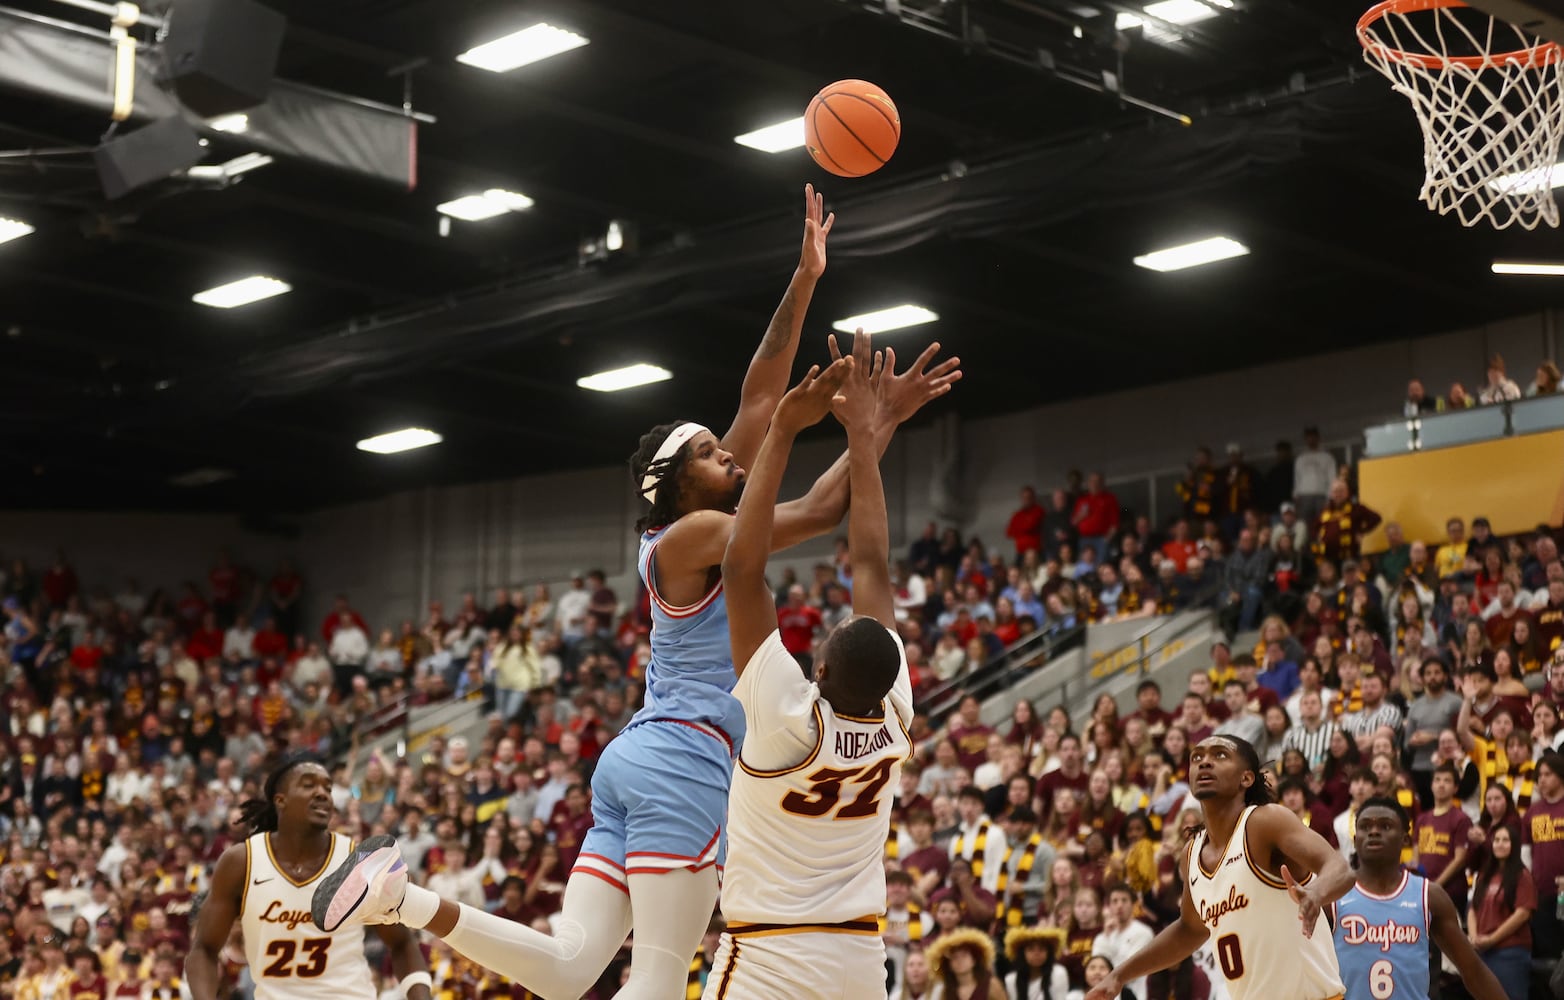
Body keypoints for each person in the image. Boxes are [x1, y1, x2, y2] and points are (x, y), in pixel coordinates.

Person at [308, 195, 958, 999]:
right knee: (650, 987)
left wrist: (804, 275)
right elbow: (827, 511)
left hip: (636, 759)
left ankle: (402, 900)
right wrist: (868, 433)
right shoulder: (692, 539)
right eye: (716, 457)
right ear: (680, 485)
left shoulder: (699, 515)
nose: (733, 455)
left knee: (573, 966)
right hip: (686, 762)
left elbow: (759, 394)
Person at [701, 344, 913, 998]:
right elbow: (873, 565)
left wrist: (790, 429)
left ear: (817, 663)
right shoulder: (894, 717)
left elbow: (739, 567)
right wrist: (864, 441)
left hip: (770, 957)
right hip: (857, 954)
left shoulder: (787, 720)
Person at [1084, 735, 1353, 1000]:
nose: (1204, 762)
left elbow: (1339, 867)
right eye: (1197, 757)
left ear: (1246, 778)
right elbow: (1189, 930)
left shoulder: (1265, 821)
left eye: (1219, 755)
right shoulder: (1192, 852)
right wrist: (1119, 975)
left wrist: (1316, 893)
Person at [185, 755, 430, 1000]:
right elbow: (203, 950)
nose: (323, 793)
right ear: (280, 800)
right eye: (308, 785)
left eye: (327, 787)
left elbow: (403, 943)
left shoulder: (356, 860)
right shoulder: (242, 862)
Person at [1330, 796, 1505, 1000]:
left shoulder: (1429, 896)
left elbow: (1473, 971)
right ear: (1355, 838)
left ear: (1405, 839)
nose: (1374, 832)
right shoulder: (1333, 895)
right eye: (1365, 826)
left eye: (1385, 826)